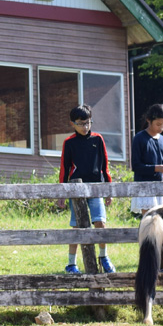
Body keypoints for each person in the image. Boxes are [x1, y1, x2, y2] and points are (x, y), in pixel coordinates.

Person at [56, 104, 115, 274]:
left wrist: (108, 189)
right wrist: (62, 192)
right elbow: (64, 168)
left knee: (100, 222)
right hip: (76, 191)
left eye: (88, 122)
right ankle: (71, 263)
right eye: (81, 123)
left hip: (96, 188)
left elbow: (105, 166)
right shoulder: (69, 143)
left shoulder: (98, 139)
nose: (85, 127)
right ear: (72, 124)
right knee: (77, 227)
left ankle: (104, 257)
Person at [130, 103, 163, 216]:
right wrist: (157, 168)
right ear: (148, 120)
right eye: (158, 124)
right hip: (145, 187)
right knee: (149, 222)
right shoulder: (139, 138)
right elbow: (136, 166)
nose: (161, 128)